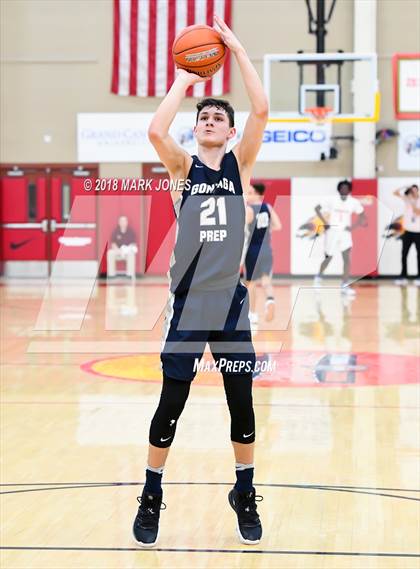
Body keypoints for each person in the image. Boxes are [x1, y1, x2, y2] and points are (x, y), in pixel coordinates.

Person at [132, 15, 268, 548]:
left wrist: (234, 49)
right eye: (204, 116)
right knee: (171, 404)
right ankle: (150, 492)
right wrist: (185, 80)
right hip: (188, 305)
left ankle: (245, 491)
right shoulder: (183, 169)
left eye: (218, 116)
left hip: (230, 305)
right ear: (197, 128)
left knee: (243, 403)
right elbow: (154, 131)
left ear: (230, 132)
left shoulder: (240, 163)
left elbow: (260, 109)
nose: (210, 119)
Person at [313, 180, 366, 295]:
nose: (344, 190)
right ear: (339, 189)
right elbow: (317, 208)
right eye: (342, 188)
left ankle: (344, 285)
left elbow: (363, 216)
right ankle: (318, 277)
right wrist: (324, 223)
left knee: (346, 259)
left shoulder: (354, 202)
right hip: (332, 232)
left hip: (345, 234)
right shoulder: (332, 200)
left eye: (346, 188)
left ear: (349, 190)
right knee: (328, 258)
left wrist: (353, 227)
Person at [244, 183, 281, 326]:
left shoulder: (249, 210)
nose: (248, 195)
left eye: (250, 192)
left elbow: (242, 227)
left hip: (253, 250)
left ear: (257, 194)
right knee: (266, 281)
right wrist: (265, 229)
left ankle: (252, 315)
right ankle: (270, 300)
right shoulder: (268, 207)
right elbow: (278, 226)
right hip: (266, 249)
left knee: (251, 284)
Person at [393, 184, 420, 286]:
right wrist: (404, 186)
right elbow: (395, 193)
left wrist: (412, 202)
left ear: (418, 191)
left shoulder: (416, 201)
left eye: (415, 191)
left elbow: (417, 212)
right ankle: (403, 276)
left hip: (418, 232)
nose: (413, 193)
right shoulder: (406, 199)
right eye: (411, 191)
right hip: (407, 232)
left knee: (419, 255)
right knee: (404, 254)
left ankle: (419, 277)